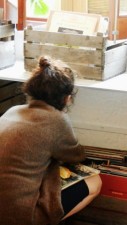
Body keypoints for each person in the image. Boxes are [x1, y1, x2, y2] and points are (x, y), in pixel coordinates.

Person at [0, 56, 102, 225]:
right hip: (18, 216)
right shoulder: (57, 119)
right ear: (67, 98)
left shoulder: (13, 110)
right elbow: (76, 156)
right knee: (95, 182)